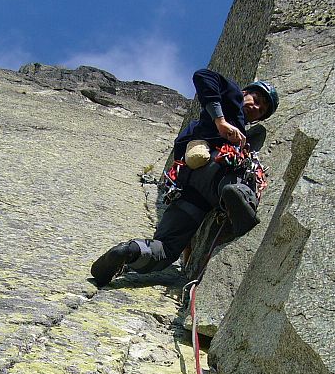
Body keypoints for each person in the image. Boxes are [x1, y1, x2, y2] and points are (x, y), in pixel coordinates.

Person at [91, 68, 278, 287]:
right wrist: (220, 120)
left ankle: (129, 251)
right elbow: (203, 76)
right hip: (218, 169)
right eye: (256, 99)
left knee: (167, 249)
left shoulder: (202, 126)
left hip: (189, 192)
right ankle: (239, 196)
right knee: (240, 172)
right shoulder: (232, 96)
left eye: (261, 110)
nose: (256, 107)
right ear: (245, 92)